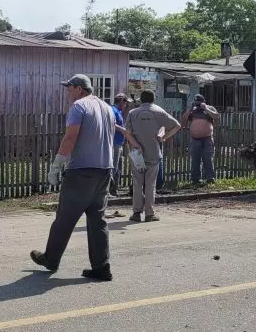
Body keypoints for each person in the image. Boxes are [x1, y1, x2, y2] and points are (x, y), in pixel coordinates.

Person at [30, 74, 115, 281]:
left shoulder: (79, 107)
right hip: (104, 170)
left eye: (69, 88)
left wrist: (57, 164)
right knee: (97, 220)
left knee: (64, 219)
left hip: (81, 171)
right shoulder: (106, 108)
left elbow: (71, 136)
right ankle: (101, 266)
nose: (67, 92)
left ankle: (51, 259)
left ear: (79, 89)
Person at [125, 89, 180, 222]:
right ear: (153, 99)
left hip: (136, 153)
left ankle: (136, 213)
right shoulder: (159, 111)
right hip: (153, 152)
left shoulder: (133, 113)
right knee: (150, 184)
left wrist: (134, 145)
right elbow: (177, 125)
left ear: (141, 100)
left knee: (137, 183)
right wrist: (164, 137)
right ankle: (149, 213)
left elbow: (127, 133)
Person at [182, 95, 220, 185]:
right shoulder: (192, 110)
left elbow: (217, 117)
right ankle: (195, 179)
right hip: (194, 139)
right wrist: (190, 109)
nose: (198, 105)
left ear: (204, 101)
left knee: (208, 159)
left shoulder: (210, 108)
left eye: (200, 103)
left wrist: (206, 109)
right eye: (197, 103)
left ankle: (210, 178)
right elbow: (183, 121)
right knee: (195, 159)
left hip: (207, 139)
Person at [109, 94, 131, 196]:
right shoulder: (113, 109)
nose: (126, 106)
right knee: (113, 166)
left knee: (117, 168)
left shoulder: (119, 112)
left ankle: (114, 190)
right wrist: (123, 130)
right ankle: (108, 190)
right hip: (114, 143)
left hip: (119, 142)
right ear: (122, 101)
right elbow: (111, 123)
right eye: (126, 103)